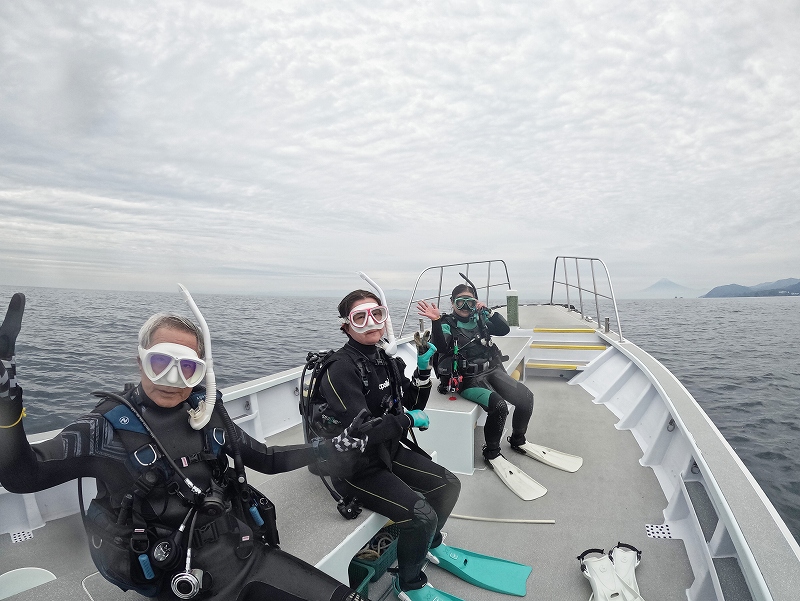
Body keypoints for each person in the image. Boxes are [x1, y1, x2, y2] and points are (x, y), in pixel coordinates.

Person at [0, 292, 373, 601]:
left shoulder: (207, 414)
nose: (172, 380)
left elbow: (267, 458)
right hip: (172, 575)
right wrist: (6, 401)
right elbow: (22, 476)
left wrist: (331, 447)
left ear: (201, 372)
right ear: (140, 361)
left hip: (242, 552)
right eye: (160, 363)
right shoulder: (104, 429)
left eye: (187, 368)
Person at [316, 290, 461, 601]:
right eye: (360, 317)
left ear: (384, 318)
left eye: (376, 314)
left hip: (386, 451)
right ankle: (409, 583)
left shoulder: (385, 360)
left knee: (448, 485)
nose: (371, 322)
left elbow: (412, 402)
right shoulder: (340, 369)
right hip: (354, 466)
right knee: (421, 515)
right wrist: (406, 420)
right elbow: (362, 432)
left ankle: (429, 544)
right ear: (346, 326)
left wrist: (423, 370)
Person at [417, 284, 534, 464]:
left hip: (491, 370)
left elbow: (504, 330)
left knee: (526, 397)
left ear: (475, 303)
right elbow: (441, 347)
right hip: (467, 380)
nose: (465, 307)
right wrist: (436, 321)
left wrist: (488, 312)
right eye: (460, 302)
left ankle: (518, 439)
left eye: (470, 302)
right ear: (452, 302)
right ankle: (492, 452)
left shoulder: (480, 320)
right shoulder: (447, 323)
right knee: (499, 407)